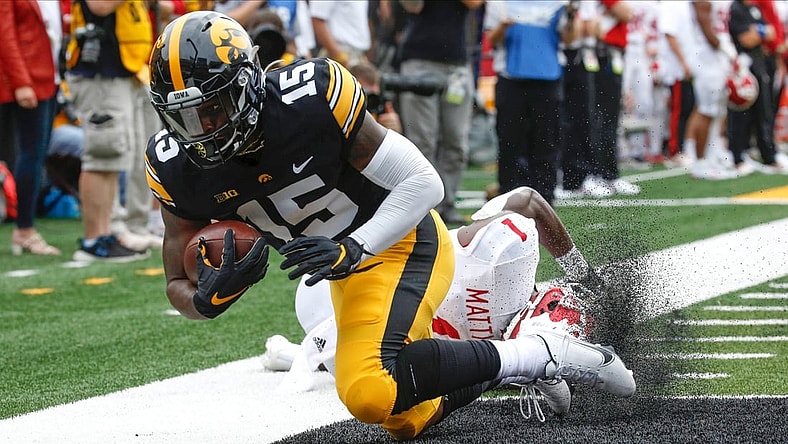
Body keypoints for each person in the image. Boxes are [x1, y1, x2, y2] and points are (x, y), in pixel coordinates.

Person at [146, 11, 635, 440]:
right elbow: (175, 282)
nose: (203, 131)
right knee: (405, 418)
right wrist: (205, 302)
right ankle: (512, 365)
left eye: (213, 109)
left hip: (398, 242)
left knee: (368, 392)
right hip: (336, 272)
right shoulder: (174, 167)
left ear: (248, 85)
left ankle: (536, 352)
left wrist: (355, 247)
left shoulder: (308, 100)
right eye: (184, 118)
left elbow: (425, 184)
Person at [265, 186, 599, 421]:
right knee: (376, 373)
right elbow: (527, 202)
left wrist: (582, 274)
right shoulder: (511, 258)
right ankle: (296, 354)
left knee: (386, 374)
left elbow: (529, 201)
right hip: (344, 282)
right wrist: (584, 275)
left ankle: (289, 353)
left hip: (370, 299)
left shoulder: (514, 264)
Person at [65, 0, 153, 262]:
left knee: (112, 159)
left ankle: (107, 234)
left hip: (117, 72)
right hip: (99, 74)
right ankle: (94, 240)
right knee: (101, 157)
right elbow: (100, 5)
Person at [396, 0, 483, 224]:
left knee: (456, 141)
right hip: (419, 61)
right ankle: (424, 208)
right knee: (422, 141)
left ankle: (447, 202)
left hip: (456, 66)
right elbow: (412, 6)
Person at [485, 1, 579, 205]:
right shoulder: (500, 3)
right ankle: (508, 198)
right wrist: (504, 25)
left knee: (547, 143)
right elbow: (491, 40)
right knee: (510, 143)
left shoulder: (559, 3)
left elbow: (570, 39)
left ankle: (545, 201)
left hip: (548, 78)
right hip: (511, 78)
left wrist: (571, 14)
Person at [0, 0, 61, 255]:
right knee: (30, 154)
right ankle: (24, 229)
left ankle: (25, 227)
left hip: (48, 76)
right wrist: (21, 81)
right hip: (26, 79)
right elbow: (5, 33)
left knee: (35, 154)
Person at [728, 0, 788, 174]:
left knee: (764, 111)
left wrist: (759, 32)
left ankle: (768, 155)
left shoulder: (754, 7)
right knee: (741, 112)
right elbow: (746, 39)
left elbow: (771, 33)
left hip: (759, 63)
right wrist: (761, 32)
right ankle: (738, 156)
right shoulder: (736, 7)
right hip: (743, 65)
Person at [684, 0, 739, 180]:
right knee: (706, 111)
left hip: (717, 60)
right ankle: (700, 162)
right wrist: (728, 50)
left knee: (717, 111)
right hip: (706, 61)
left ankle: (711, 157)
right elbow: (707, 29)